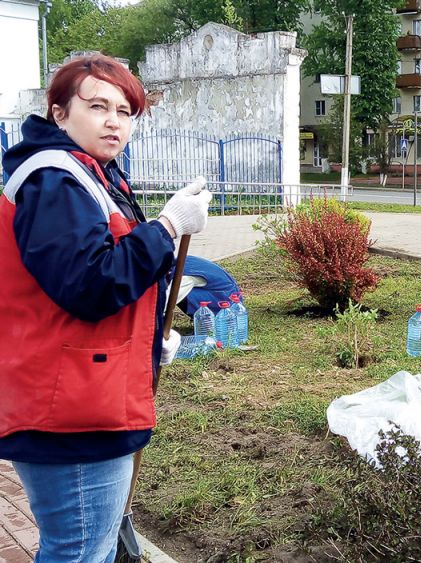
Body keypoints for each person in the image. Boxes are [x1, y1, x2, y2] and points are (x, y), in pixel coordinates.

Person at [0, 55, 212, 561]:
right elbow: (90, 284)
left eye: (125, 110)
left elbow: (90, 283)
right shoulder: (55, 181)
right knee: (77, 551)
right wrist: (166, 228)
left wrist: (144, 344)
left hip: (81, 391)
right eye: (97, 106)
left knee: (81, 547)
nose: (114, 120)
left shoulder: (89, 172)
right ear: (59, 113)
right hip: (69, 410)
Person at [177, 255, 242, 316]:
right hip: (223, 294)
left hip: (224, 302)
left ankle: (205, 319)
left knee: (174, 292)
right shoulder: (178, 263)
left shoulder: (185, 276)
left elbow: (172, 295)